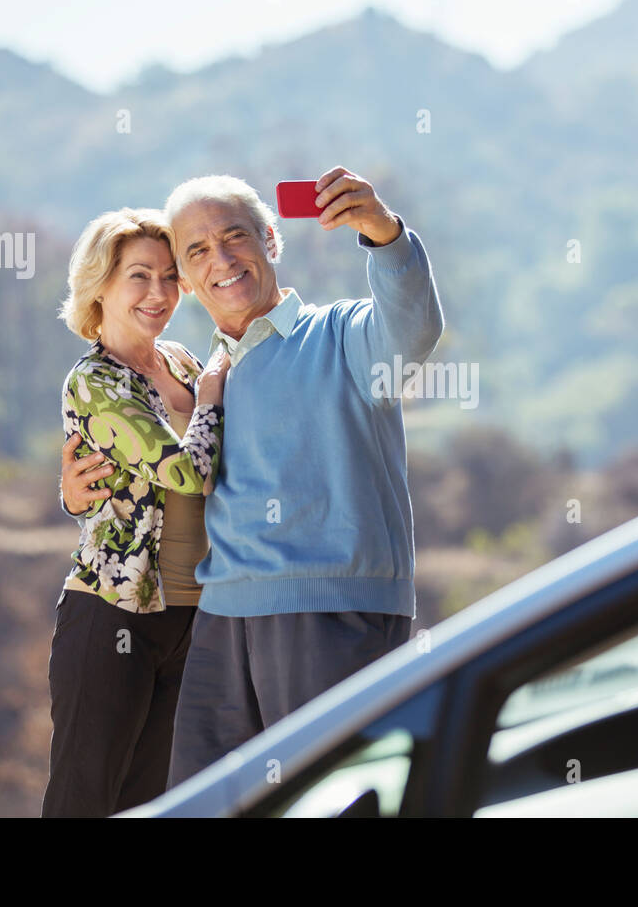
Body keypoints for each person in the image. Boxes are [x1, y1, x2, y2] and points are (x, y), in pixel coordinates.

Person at [163, 165, 442, 787]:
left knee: (333, 800)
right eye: (198, 250)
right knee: (205, 803)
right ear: (182, 278)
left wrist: (383, 232)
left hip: (331, 613)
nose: (221, 259)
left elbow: (412, 330)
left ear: (271, 240)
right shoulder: (200, 379)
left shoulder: (341, 335)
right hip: (222, 617)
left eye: (235, 236)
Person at [42, 207, 229, 817]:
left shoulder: (178, 362)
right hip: (112, 613)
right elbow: (186, 471)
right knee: (84, 799)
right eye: (139, 276)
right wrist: (209, 402)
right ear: (100, 286)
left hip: (191, 617)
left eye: (171, 276)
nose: (160, 292)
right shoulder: (95, 381)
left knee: (148, 805)